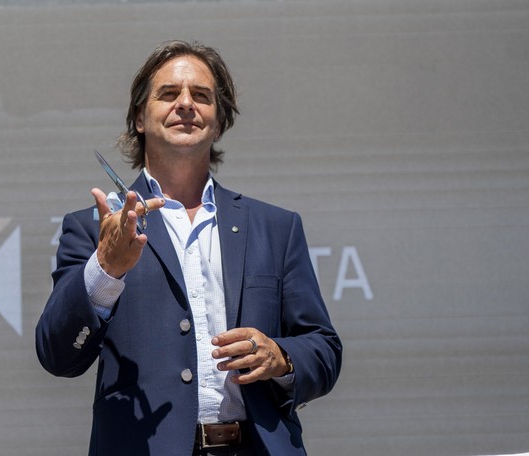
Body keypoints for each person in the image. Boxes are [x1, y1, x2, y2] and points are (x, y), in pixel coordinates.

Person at [36, 40, 342, 456]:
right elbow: (58, 355)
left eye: (201, 96)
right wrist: (105, 270)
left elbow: (323, 348)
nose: (185, 104)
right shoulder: (95, 230)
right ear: (140, 117)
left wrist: (282, 357)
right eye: (168, 94)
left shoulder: (276, 227)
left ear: (218, 123)